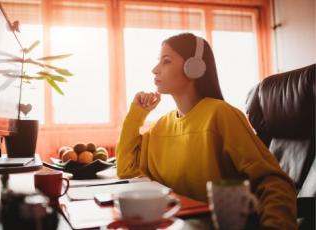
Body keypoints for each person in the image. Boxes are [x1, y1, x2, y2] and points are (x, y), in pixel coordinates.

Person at [116, 33, 297, 229]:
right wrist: (137, 114)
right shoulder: (162, 126)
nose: (155, 69)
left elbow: (273, 181)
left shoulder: (221, 115)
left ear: (193, 67)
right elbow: (126, 169)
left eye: (166, 61)